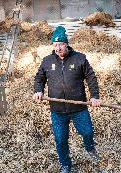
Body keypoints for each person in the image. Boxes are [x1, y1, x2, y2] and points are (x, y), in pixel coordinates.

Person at [33, 26, 101, 173]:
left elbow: (91, 77)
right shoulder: (47, 61)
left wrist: (94, 96)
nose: (58, 48)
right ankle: (66, 164)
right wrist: (38, 90)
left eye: (61, 44)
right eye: (55, 45)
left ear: (67, 44)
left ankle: (90, 148)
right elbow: (39, 78)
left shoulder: (80, 58)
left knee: (88, 132)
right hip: (57, 110)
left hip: (79, 108)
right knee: (60, 139)